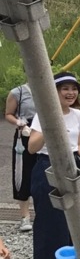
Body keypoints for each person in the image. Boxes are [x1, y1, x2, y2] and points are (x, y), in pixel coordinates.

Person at [27, 72, 80, 259]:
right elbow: (32, 147)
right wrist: (51, 122)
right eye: (65, 88)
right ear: (53, 92)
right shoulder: (43, 114)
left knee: (78, 215)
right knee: (50, 218)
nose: (70, 93)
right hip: (47, 166)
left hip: (73, 166)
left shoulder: (77, 115)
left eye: (73, 88)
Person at [5, 82, 36, 233]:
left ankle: (44, 214)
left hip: (44, 133)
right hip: (24, 134)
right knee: (22, 173)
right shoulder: (18, 92)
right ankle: (25, 216)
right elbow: (8, 114)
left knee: (45, 171)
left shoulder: (51, 88)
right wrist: (20, 123)